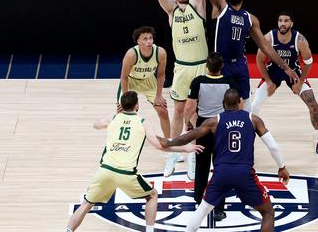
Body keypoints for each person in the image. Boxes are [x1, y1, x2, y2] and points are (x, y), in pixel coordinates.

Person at [64, 91, 203, 232]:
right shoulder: (142, 122)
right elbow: (160, 145)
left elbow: (96, 124)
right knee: (152, 195)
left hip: (105, 171)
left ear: (121, 106)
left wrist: (116, 115)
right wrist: (185, 149)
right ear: (137, 106)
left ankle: (68, 230)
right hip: (126, 174)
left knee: (86, 204)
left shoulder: (113, 119)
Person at [158, 88, 290, 232]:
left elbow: (189, 136)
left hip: (221, 172)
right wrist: (281, 167)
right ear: (240, 102)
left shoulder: (214, 121)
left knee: (202, 211)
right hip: (244, 173)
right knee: (268, 213)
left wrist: (169, 142)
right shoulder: (254, 119)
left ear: (223, 104)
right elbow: (273, 147)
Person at [198, 0, 298, 110]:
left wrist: (285, 67)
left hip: (240, 66)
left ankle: (247, 134)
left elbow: (266, 46)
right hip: (219, 64)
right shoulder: (221, 6)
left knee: (246, 107)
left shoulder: (250, 18)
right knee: (217, 108)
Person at [155, 0, 210, 177]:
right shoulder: (172, 12)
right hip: (182, 67)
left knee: (196, 113)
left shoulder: (198, 5)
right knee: (178, 110)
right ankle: (174, 151)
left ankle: (193, 155)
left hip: (200, 66)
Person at [251, 12, 318, 157]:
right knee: (253, 107)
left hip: (294, 74)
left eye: (286, 21)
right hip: (273, 73)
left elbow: (309, 62)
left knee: (313, 105)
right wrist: (269, 81)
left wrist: (301, 82)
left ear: (291, 24)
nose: (282, 23)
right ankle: (247, 142)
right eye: (280, 21)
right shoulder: (269, 37)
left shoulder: (300, 40)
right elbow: (259, 60)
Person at [184, 52, 238, 221]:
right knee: (221, 168)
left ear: (206, 66)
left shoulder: (198, 81)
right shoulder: (229, 81)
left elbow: (189, 107)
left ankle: (200, 202)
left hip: (203, 128)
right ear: (222, 66)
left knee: (201, 167)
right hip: (223, 127)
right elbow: (239, 105)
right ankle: (219, 208)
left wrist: (188, 123)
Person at [118, 26, 169, 138]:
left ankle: (169, 143)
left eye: (150, 38)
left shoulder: (160, 53)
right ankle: (124, 140)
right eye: (145, 39)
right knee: (122, 112)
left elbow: (160, 75)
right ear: (138, 41)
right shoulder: (131, 54)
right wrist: (127, 99)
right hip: (131, 81)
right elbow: (124, 77)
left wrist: (159, 95)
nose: (149, 41)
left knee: (163, 111)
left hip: (149, 81)